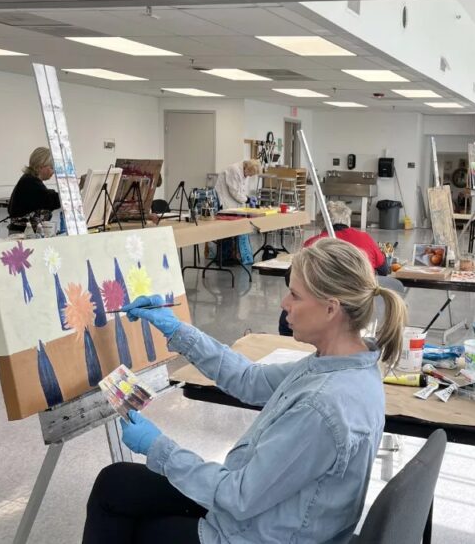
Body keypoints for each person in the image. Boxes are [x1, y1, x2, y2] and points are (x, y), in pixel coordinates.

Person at [83, 238, 407, 544]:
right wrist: (178, 330)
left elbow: (237, 497)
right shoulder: (343, 362)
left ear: (331, 309)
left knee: (139, 528)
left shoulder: (323, 405)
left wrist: (158, 447)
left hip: (259, 530)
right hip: (268, 508)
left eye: (294, 295)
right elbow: (250, 379)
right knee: (117, 484)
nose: (284, 304)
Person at [279, 201, 389, 336]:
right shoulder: (364, 238)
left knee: (286, 323)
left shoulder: (315, 243)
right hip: (358, 306)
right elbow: (384, 270)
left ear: (321, 223)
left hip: (326, 308)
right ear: (347, 219)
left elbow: (291, 277)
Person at [7, 146, 60, 234]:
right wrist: (74, 188)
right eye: (51, 167)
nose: (53, 171)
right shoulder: (29, 182)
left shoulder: (30, 180)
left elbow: (46, 196)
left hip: (25, 232)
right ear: (40, 167)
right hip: (22, 234)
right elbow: (50, 199)